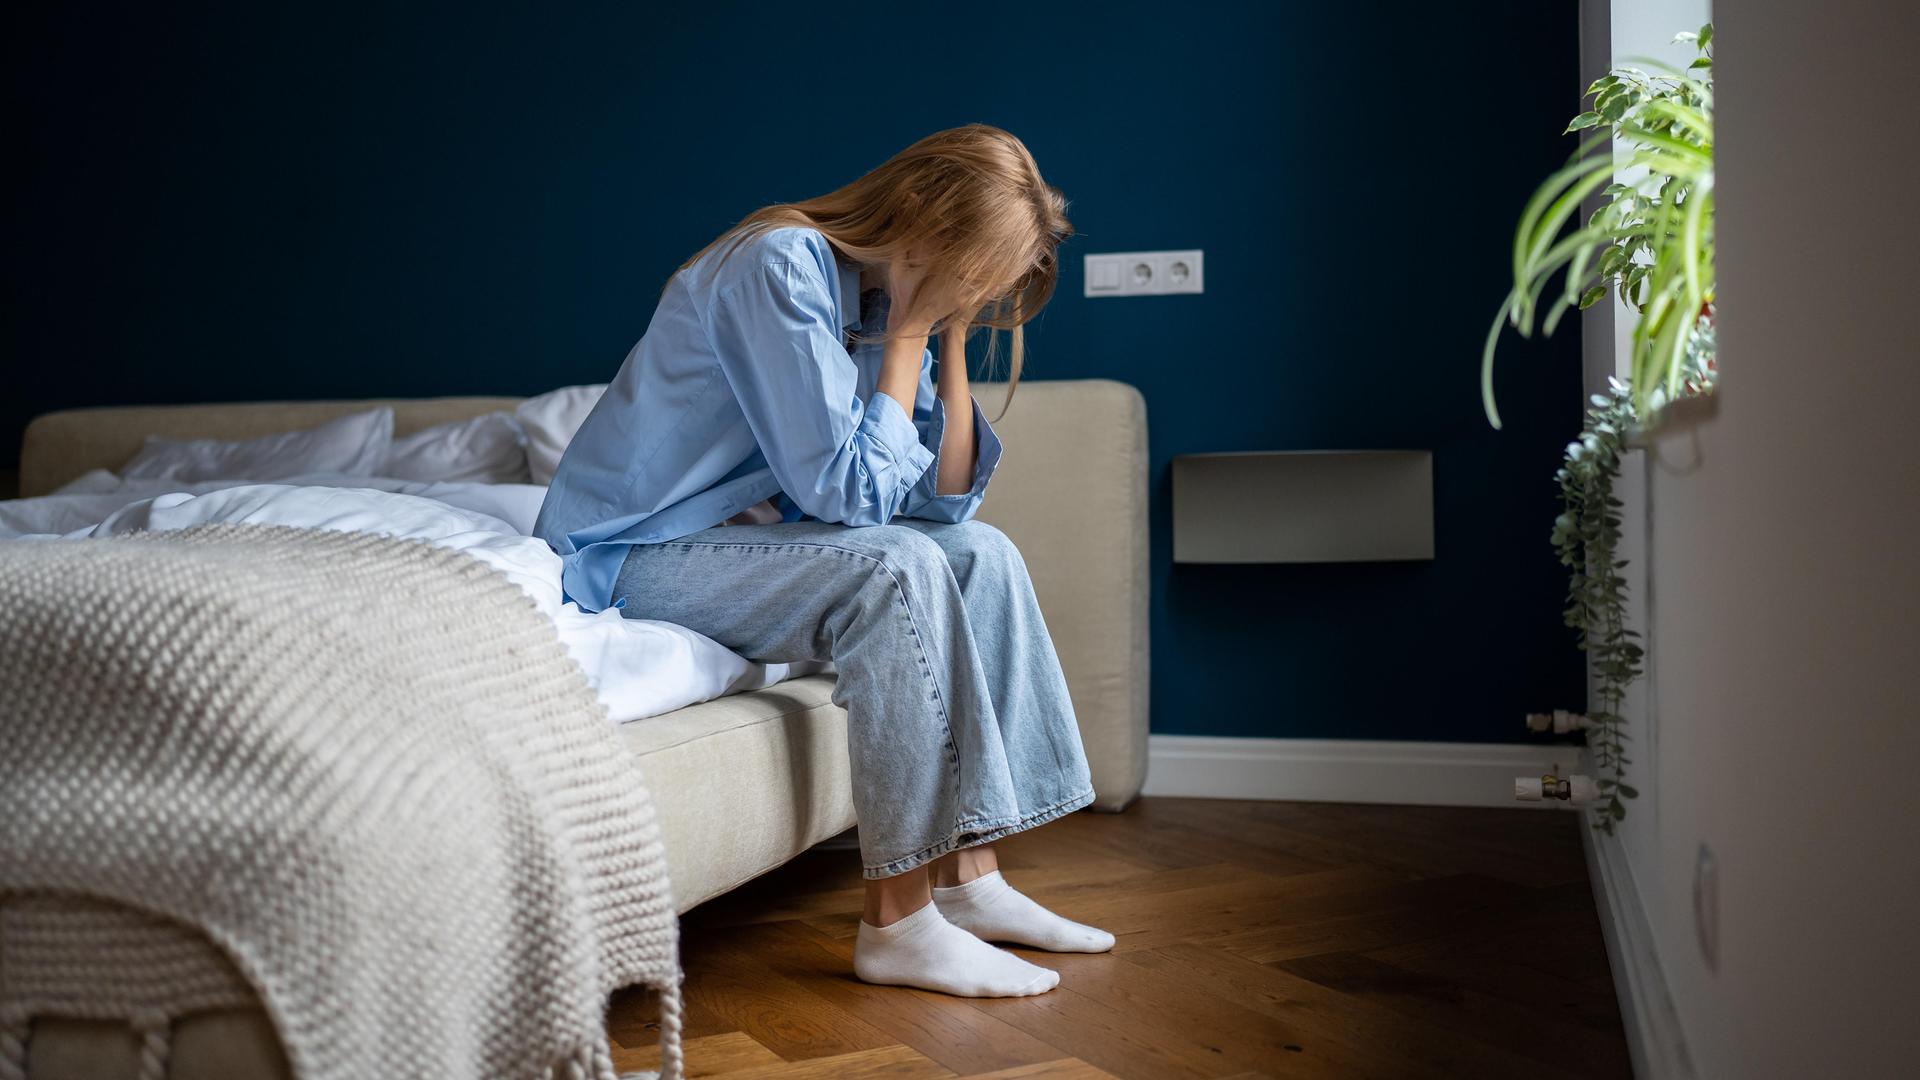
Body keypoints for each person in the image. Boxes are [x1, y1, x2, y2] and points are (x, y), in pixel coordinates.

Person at [534, 123, 1111, 998]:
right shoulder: (780, 265)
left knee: (979, 555)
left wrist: (943, 338)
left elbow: (943, 501)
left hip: (743, 541)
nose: (979, 292)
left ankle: (971, 881)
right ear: (920, 215)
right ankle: (899, 923)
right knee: (894, 568)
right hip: (637, 549)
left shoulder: (885, 310)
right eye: (976, 268)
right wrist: (916, 326)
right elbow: (851, 498)